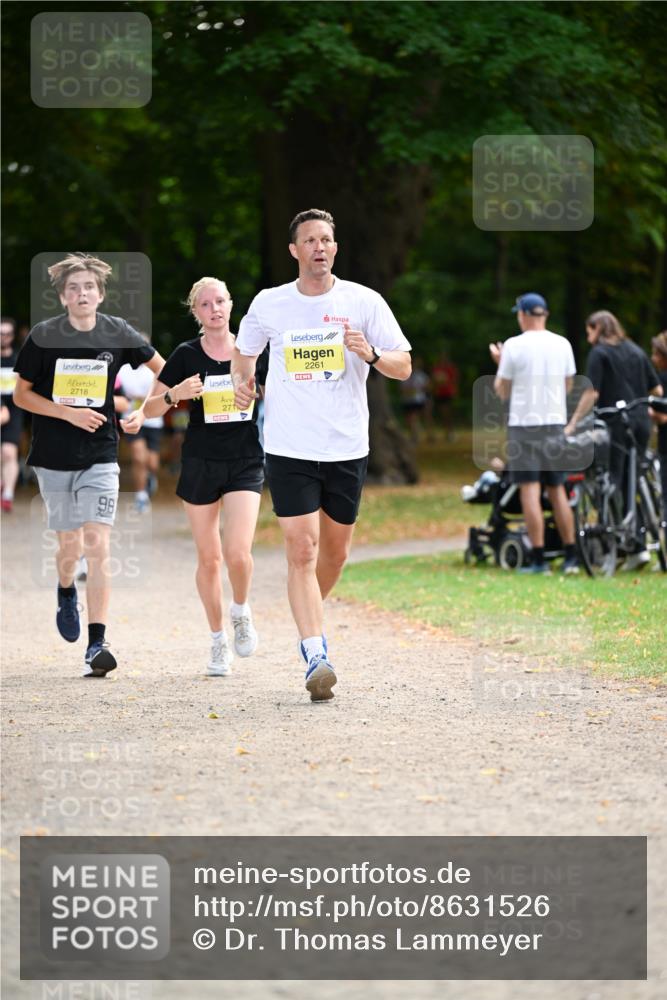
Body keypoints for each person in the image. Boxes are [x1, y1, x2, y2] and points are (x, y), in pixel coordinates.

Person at [232, 208, 412, 702]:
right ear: (294, 250)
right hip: (289, 445)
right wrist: (243, 384)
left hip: (347, 446)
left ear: (336, 248)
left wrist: (370, 354)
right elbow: (243, 355)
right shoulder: (271, 304)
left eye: (326, 240)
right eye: (309, 240)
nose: (319, 247)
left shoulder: (363, 302)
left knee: (334, 554)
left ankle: (307, 613)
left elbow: (403, 365)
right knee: (303, 550)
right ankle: (315, 651)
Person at [13, 253, 165, 676]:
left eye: (89, 287)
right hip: (53, 457)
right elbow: (22, 396)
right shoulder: (44, 336)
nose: (82, 294)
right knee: (69, 545)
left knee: (98, 544)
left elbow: (164, 371)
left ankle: (97, 643)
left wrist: (144, 411)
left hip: (100, 454)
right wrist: (67, 413)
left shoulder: (117, 331)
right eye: (74, 288)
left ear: (100, 294)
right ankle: (65, 591)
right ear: (63, 296)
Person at [135, 277, 265, 677]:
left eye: (221, 301)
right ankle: (217, 641)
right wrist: (177, 393)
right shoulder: (186, 355)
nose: (215, 309)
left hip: (244, 458)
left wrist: (260, 389)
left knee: (238, 554)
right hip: (201, 462)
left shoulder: (252, 348)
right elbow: (149, 410)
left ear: (231, 304)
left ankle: (240, 610)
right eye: (206, 304)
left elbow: (281, 387)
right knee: (209, 559)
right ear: (196, 312)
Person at [565, 310, 663, 571]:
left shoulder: (599, 353)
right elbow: (656, 390)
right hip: (641, 422)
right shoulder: (635, 350)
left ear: (597, 327)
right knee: (634, 481)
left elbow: (592, 393)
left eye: (588, 331)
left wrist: (573, 423)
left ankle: (629, 545)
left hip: (615, 423)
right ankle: (637, 541)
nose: (588, 338)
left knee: (613, 480)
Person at [490, 292, 579, 575]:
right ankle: (571, 557)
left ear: (524, 315)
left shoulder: (514, 346)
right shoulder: (562, 344)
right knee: (557, 490)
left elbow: (501, 389)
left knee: (529, 490)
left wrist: (500, 362)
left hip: (523, 425)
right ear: (545, 314)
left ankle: (539, 559)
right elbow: (568, 385)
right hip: (554, 423)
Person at [117, 334, 164, 512]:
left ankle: (151, 477)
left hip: (153, 420)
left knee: (152, 463)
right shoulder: (123, 370)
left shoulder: (154, 369)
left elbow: (162, 392)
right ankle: (141, 495)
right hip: (131, 419)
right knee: (138, 457)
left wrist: (144, 399)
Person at [1, 317, 23, 512]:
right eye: (1, 333)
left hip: (14, 411)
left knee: (9, 452)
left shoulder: (19, 359)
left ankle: (7, 494)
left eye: (7, 333)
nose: (4, 337)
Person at [649, 331, 667, 518]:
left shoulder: (662, 379)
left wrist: (651, 413)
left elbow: (662, 417)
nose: (652, 358)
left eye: (656, 353)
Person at [399, 357, 431, 442]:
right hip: (408, 400)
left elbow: (428, 387)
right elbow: (402, 389)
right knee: (410, 419)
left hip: (419, 400)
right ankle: (415, 435)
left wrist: (421, 389)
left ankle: (426, 435)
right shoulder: (404, 374)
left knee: (417, 418)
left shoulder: (421, 375)